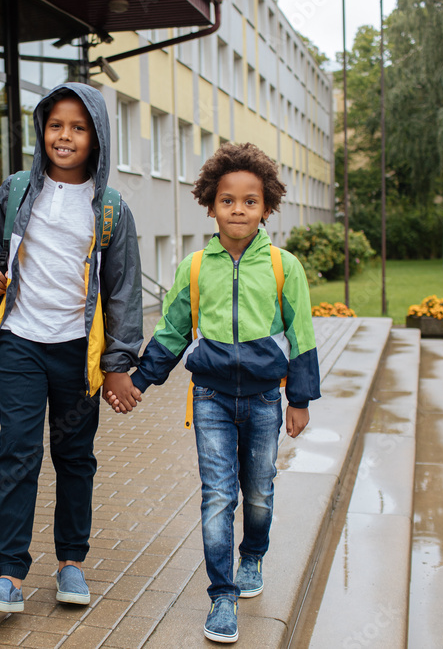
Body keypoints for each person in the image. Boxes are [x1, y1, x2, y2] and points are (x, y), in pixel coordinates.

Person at [109, 142, 320, 643]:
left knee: (260, 491)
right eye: (228, 200)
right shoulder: (195, 268)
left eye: (251, 200)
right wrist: (137, 381)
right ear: (210, 205)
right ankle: (221, 596)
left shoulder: (283, 267)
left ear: (266, 207)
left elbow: (303, 333)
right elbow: (173, 331)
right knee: (218, 495)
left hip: (268, 400)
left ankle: (253, 557)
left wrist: (300, 399)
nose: (239, 209)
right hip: (210, 398)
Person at [0, 82, 143, 614]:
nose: (64, 136)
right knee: (17, 455)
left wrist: (117, 365)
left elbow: (123, 292)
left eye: (78, 127)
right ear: (42, 130)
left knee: (74, 457)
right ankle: (8, 576)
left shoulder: (110, 208)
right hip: (20, 342)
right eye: (55, 125)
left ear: (96, 137)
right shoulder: (19, 188)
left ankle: (71, 564)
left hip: (76, 352)